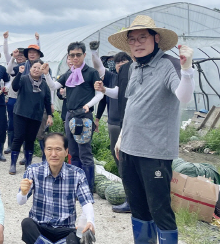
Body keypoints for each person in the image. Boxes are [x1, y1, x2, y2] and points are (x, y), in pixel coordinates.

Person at [108, 15, 195, 244]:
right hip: (130, 149)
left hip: (155, 153)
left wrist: (188, 69)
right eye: (132, 40)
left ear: (156, 38)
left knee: (160, 210)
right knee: (138, 205)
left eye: (142, 38)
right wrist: (121, 138)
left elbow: (183, 97)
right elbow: (132, 103)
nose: (137, 44)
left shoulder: (168, 64)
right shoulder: (135, 67)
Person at [17, 132, 96, 244]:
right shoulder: (33, 170)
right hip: (39, 227)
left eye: (58, 149)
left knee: (78, 240)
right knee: (26, 224)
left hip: (64, 230)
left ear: (66, 152)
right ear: (44, 150)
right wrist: (23, 192)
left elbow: (86, 201)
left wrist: (91, 221)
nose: (53, 154)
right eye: (49, 149)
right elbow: (20, 201)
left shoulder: (77, 174)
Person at [44, 42, 104, 194]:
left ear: (84, 55)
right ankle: (76, 184)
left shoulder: (91, 73)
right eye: (72, 55)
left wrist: (88, 105)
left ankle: (88, 187)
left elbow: (100, 94)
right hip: (70, 115)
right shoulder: (69, 73)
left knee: (85, 152)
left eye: (78, 54)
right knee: (72, 151)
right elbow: (53, 86)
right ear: (68, 56)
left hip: (84, 116)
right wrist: (46, 74)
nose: (75, 57)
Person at [93, 51, 132, 213]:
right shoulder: (111, 76)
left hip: (129, 124)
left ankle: (131, 195)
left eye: (123, 61)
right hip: (114, 123)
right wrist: (95, 51)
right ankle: (128, 188)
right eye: (117, 62)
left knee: (127, 157)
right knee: (116, 154)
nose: (120, 64)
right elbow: (99, 67)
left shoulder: (133, 77)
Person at [8, 60, 53, 175]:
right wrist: (19, 73)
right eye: (34, 67)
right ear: (30, 68)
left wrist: (49, 115)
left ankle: (28, 163)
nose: (36, 69)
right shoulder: (23, 79)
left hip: (36, 116)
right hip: (20, 113)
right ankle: (13, 164)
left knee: (30, 140)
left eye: (39, 68)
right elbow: (15, 87)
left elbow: (47, 101)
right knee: (18, 138)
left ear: (42, 71)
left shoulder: (44, 85)